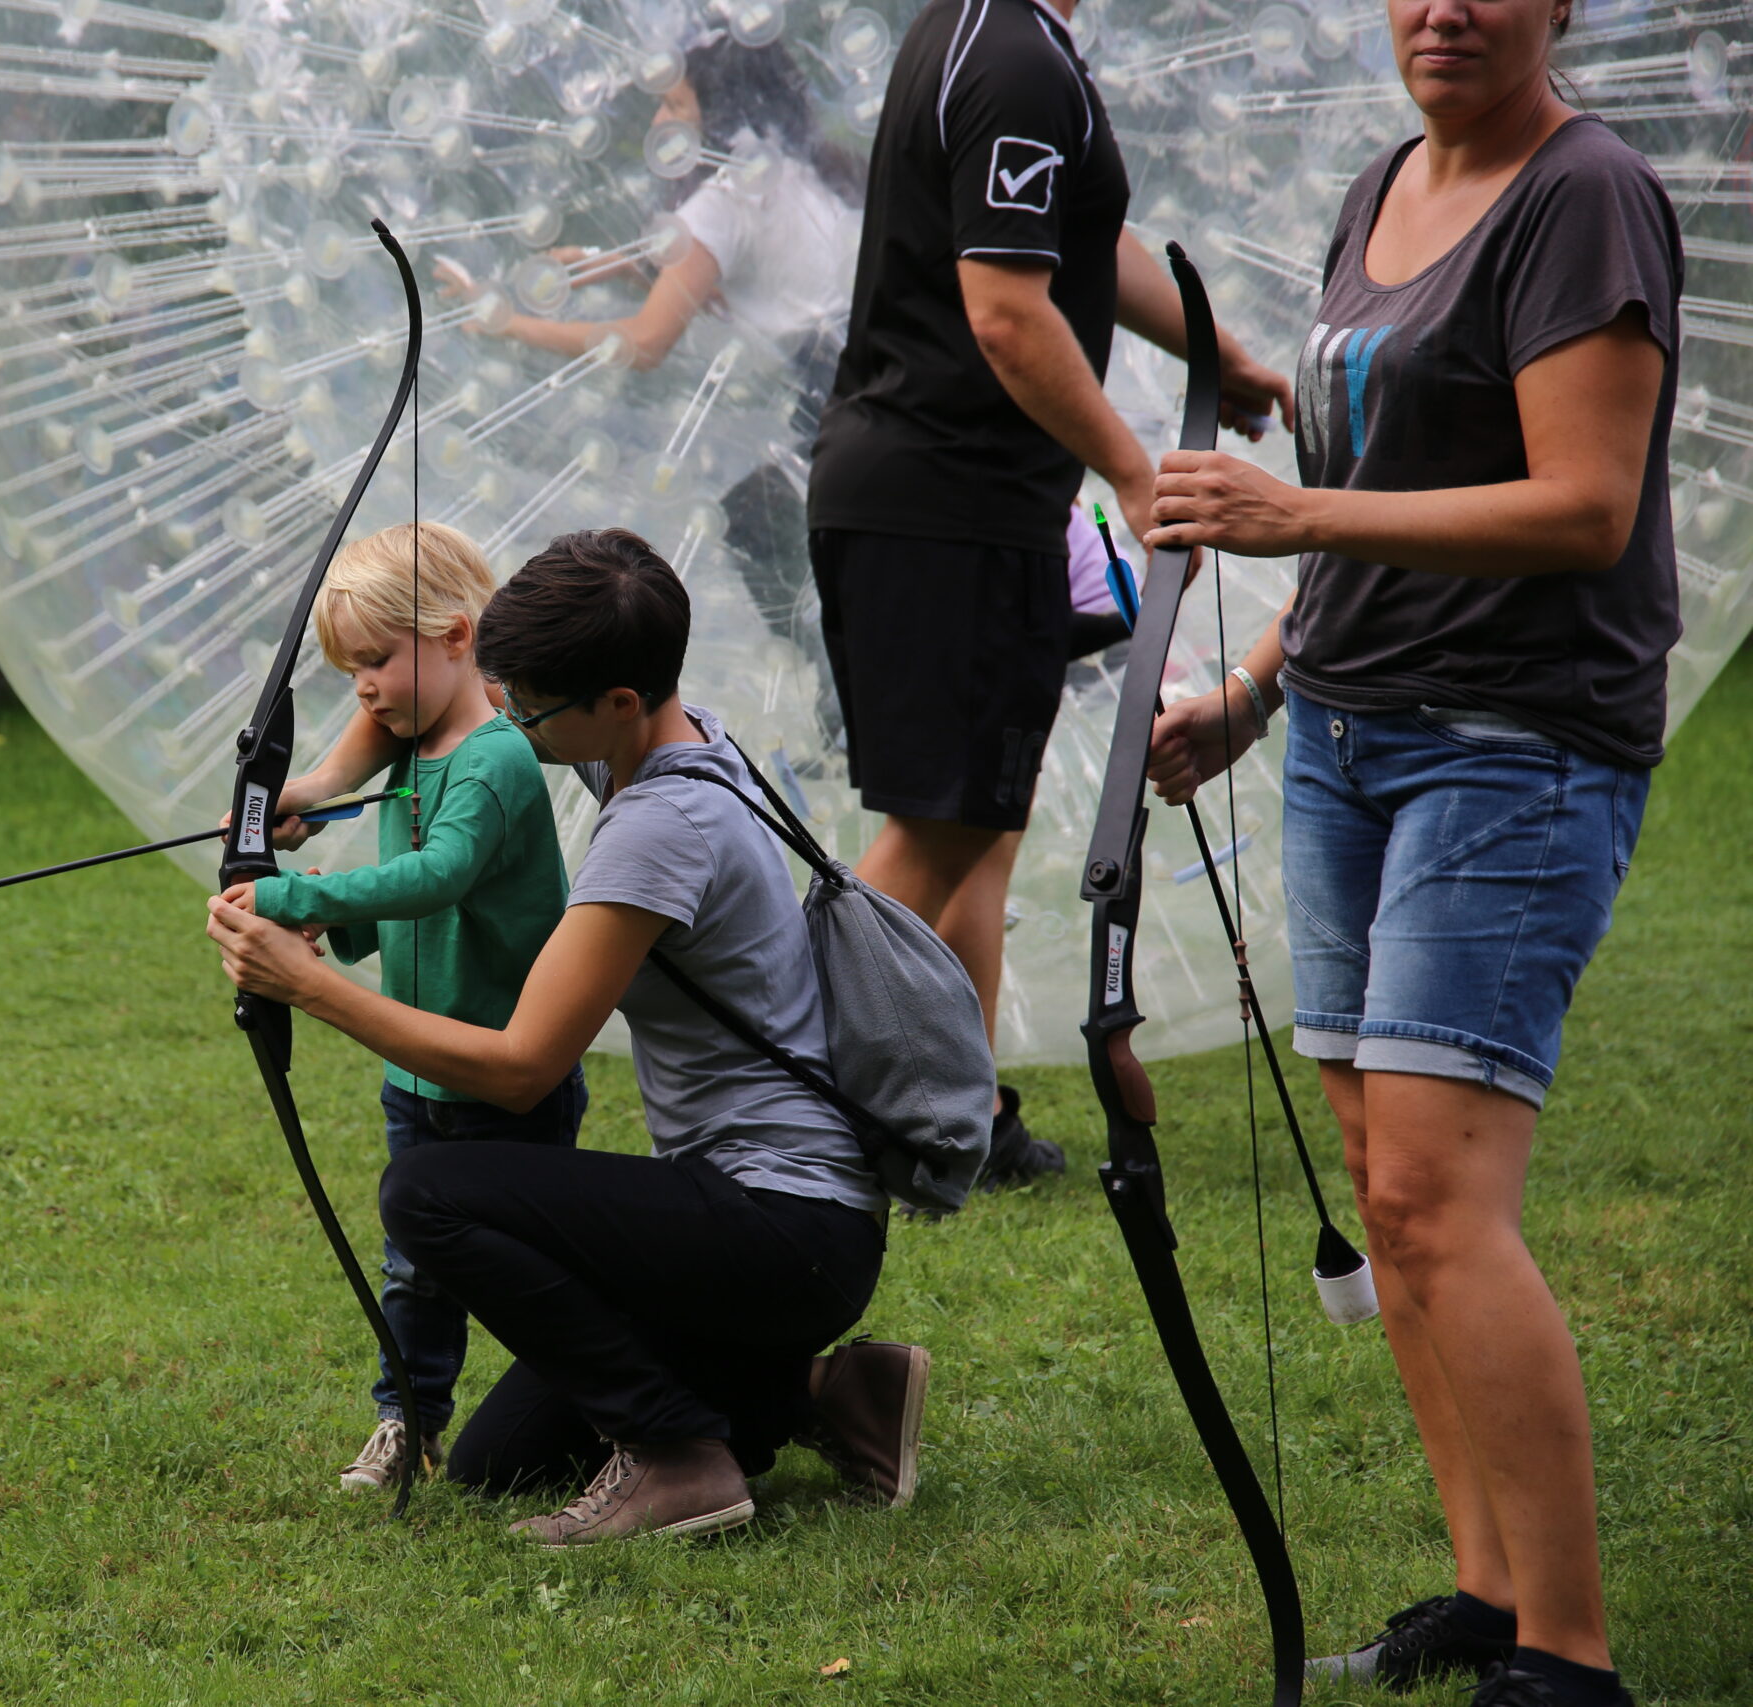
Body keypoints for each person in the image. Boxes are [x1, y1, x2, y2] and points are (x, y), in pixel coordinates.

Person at [1141, 0, 1678, 1698]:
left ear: (1561, 7)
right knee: (1387, 1196)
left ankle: (1570, 1656)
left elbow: (1583, 502)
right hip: (1345, 737)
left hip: (1512, 745)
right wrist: (1245, 687)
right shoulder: (1377, 186)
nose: (1446, 6)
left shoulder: (1583, 193)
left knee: (1442, 1203)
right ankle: (1491, 1591)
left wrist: (1291, 513)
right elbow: (1374, 484)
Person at [208, 528, 929, 1544]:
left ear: (616, 703)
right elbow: (443, 704)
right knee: (504, 1459)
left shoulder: (655, 833)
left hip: (780, 1226)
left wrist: (307, 984)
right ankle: (826, 1391)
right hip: (786, 1222)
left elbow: (520, 1072)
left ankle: (680, 1463)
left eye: (528, 707)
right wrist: (317, 789)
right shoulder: (673, 737)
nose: (506, 721)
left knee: (426, 1196)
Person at [807, 0, 1291, 1184]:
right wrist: (1136, 474)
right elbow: (1008, 308)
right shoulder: (1013, 56)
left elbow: (1077, 238)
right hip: (944, 505)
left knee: (979, 821)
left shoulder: (996, 36)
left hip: (958, 505)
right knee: (932, 830)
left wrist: (1208, 350)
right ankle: (788, 1119)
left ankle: (954, 1124)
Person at [230, 521, 587, 1494]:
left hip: (502, 1076)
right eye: (350, 672)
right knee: (414, 1273)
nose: (366, 690)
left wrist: (297, 901)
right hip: (416, 1073)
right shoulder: (416, 740)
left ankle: (597, 1402)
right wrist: (299, 824)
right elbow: (409, 891)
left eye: (378, 662)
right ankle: (405, 1424)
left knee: (528, 1272)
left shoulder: (493, 760)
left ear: (459, 637)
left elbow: (437, 879)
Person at [449, 35, 859, 650]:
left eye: (671, 104)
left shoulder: (722, 201)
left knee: (768, 535)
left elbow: (643, 343)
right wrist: (607, 261)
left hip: (833, 392)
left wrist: (509, 322)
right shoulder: (808, 168)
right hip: (884, 364)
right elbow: (740, 262)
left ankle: (838, 692)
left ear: (713, 114)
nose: (658, 121)